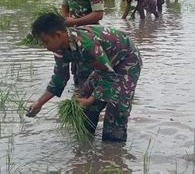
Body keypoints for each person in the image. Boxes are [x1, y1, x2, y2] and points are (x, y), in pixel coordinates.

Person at [26, 13, 142, 142]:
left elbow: (108, 75)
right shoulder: (59, 48)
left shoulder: (87, 44)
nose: (44, 47)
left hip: (126, 60)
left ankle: (113, 151)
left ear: (58, 35)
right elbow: (60, 77)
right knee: (82, 101)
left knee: (116, 109)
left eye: (45, 42)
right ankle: (85, 148)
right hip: (103, 64)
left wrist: (91, 100)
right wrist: (39, 103)